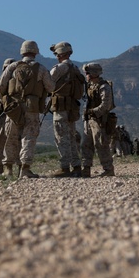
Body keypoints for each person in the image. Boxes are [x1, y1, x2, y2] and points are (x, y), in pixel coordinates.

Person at [0, 40, 54, 178]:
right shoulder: (41, 69)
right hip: (32, 107)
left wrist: (5, 102)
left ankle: (8, 169)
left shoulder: (12, 67)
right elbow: (51, 87)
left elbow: (0, 86)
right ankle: (25, 169)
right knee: (29, 137)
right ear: (35, 52)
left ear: (22, 52)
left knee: (11, 136)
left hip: (13, 108)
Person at [47, 42, 86, 178]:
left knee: (61, 137)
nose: (56, 56)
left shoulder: (59, 68)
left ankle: (64, 168)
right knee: (71, 137)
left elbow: (48, 83)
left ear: (62, 53)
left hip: (61, 107)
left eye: (57, 53)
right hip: (72, 108)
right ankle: (76, 166)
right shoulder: (75, 68)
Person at [80, 62, 115, 177]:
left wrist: (93, 111)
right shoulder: (88, 86)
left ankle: (108, 169)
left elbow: (106, 105)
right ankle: (86, 169)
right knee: (86, 144)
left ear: (95, 73)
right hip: (88, 120)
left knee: (101, 144)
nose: (86, 75)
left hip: (99, 120)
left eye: (88, 72)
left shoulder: (104, 86)